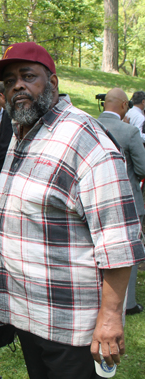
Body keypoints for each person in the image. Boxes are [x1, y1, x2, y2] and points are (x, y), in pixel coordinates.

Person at [0, 41, 145, 378]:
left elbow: (118, 240)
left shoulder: (84, 138)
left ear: (53, 83)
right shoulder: (22, 131)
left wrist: (111, 317)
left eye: (28, 76)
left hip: (72, 326)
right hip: (30, 316)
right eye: (9, 81)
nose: (17, 86)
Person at [98, 88, 145, 317]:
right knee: (131, 251)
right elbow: (143, 167)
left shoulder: (90, 125)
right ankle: (128, 303)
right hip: (127, 201)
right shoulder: (130, 131)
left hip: (96, 199)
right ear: (125, 105)